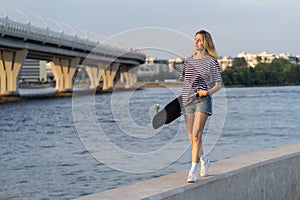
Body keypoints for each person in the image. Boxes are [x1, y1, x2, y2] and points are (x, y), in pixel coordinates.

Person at [179, 30, 222, 183]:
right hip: (187, 101)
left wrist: (207, 92)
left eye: (199, 40)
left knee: (197, 135)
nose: (196, 42)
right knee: (192, 137)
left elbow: (218, 85)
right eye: (195, 39)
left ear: (206, 43)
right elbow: (184, 81)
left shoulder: (211, 61)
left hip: (203, 100)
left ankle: (192, 170)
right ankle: (204, 159)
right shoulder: (188, 61)